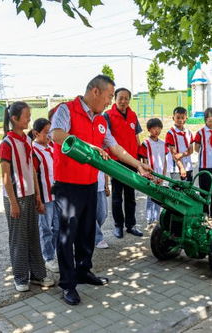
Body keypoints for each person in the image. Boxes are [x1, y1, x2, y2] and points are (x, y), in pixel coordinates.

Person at [50, 75, 152, 306]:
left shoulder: (101, 120)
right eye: (108, 97)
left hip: (89, 184)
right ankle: (67, 284)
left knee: (87, 231)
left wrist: (138, 164)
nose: (109, 102)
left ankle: (83, 271)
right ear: (95, 92)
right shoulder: (67, 110)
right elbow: (56, 135)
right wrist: (88, 146)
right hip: (68, 185)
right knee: (67, 235)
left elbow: (114, 147)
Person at [0, 102, 54, 292]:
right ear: (14, 119)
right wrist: (13, 202)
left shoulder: (28, 141)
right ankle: (21, 278)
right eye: (26, 116)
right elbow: (6, 176)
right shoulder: (7, 143)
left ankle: (38, 275)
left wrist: (38, 196)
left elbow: (32, 171)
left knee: (33, 237)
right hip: (16, 198)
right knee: (18, 239)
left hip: (30, 195)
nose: (29, 119)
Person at [103, 88, 143, 238]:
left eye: (126, 98)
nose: (123, 101)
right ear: (115, 98)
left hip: (131, 160)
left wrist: (139, 158)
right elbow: (105, 139)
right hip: (116, 161)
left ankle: (131, 225)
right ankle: (118, 225)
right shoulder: (108, 116)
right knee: (117, 196)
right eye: (121, 98)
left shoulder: (132, 115)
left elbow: (136, 137)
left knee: (131, 195)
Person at [30, 118, 59, 273]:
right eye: (46, 133)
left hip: (57, 196)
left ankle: (53, 252)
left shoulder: (52, 146)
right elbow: (34, 175)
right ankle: (48, 257)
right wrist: (38, 197)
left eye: (50, 133)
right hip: (45, 197)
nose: (49, 136)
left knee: (58, 227)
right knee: (45, 228)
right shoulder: (33, 151)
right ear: (36, 133)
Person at [138, 118, 175, 224]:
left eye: (159, 128)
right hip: (151, 175)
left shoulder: (163, 144)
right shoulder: (146, 143)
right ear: (149, 129)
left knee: (159, 197)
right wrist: (150, 176)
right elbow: (144, 160)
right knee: (151, 196)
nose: (157, 131)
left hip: (160, 175)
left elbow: (164, 161)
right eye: (154, 128)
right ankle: (150, 219)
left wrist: (163, 175)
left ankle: (157, 218)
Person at [165, 107, 192, 181]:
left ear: (186, 118)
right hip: (176, 169)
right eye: (178, 117)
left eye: (183, 117)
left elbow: (191, 151)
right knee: (177, 190)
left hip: (188, 167)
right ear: (173, 118)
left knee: (188, 190)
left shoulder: (188, 133)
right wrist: (181, 167)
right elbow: (174, 155)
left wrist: (182, 154)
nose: (180, 120)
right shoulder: (170, 133)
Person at [95, 171, 110, 249]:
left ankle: (91, 232)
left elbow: (104, 171)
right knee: (91, 216)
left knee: (103, 214)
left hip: (101, 188)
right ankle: (98, 239)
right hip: (89, 187)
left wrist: (106, 186)